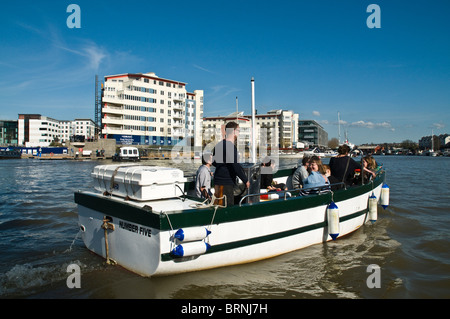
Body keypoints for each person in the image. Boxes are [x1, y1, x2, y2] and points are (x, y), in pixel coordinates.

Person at [212, 121, 250, 206]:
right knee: (227, 206)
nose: (239, 133)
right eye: (238, 131)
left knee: (219, 204)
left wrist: (224, 165)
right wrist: (245, 180)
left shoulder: (218, 145)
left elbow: (214, 162)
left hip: (217, 180)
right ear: (233, 131)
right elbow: (235, 165)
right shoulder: (230, 146)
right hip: (227, 182)